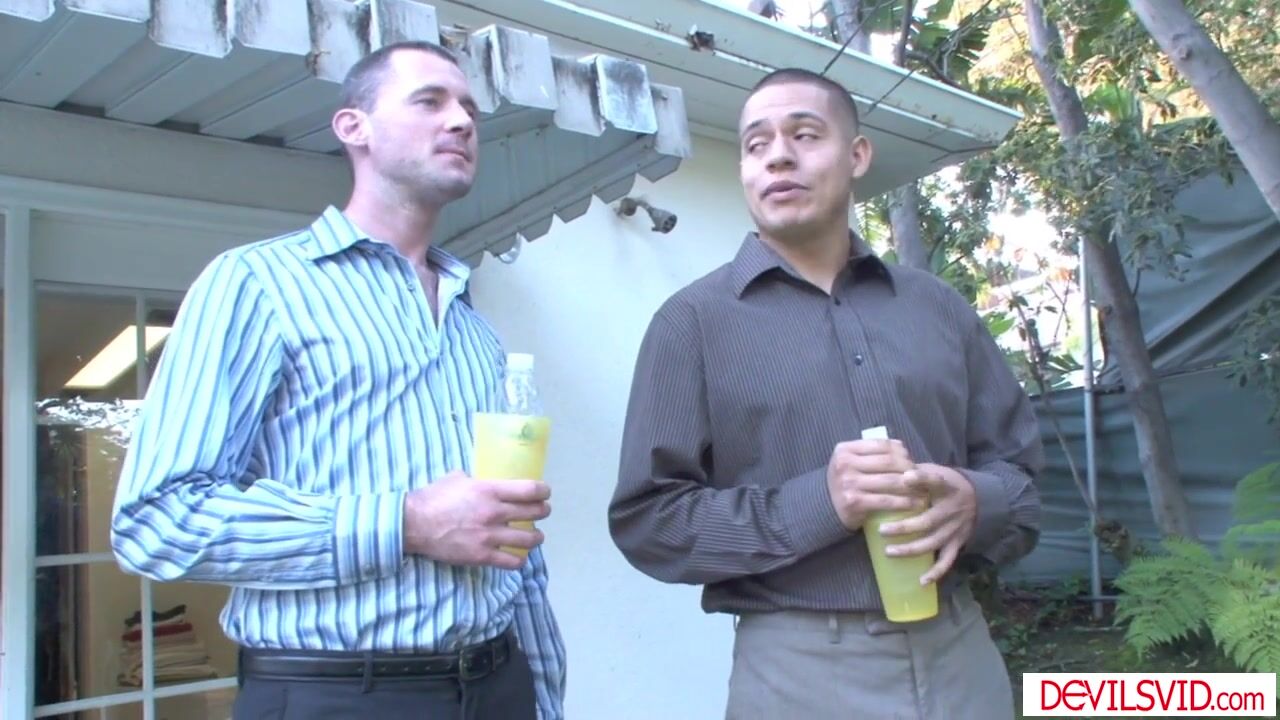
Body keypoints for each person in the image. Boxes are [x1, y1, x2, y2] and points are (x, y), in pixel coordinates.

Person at [111, 41, 565, 720]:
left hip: (498, 686)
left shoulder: (475, 330)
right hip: (334, 695)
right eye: (430, 100)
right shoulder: (257, 284)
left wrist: (544, 696)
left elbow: (508, 540)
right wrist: (405, 523)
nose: (462, 121)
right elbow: (158, 520)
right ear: (354, 126)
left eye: (470, 109)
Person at [608, 67, 1043, 720]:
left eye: (805, 134)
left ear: (857, 155)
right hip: (797, 671)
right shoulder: (691, 324)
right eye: (756, 144)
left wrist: (977, 501)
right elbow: (649, 522)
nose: (777, 156)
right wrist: (818, 503)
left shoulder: (938, 308)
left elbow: (1024, 478)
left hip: (961, 652)